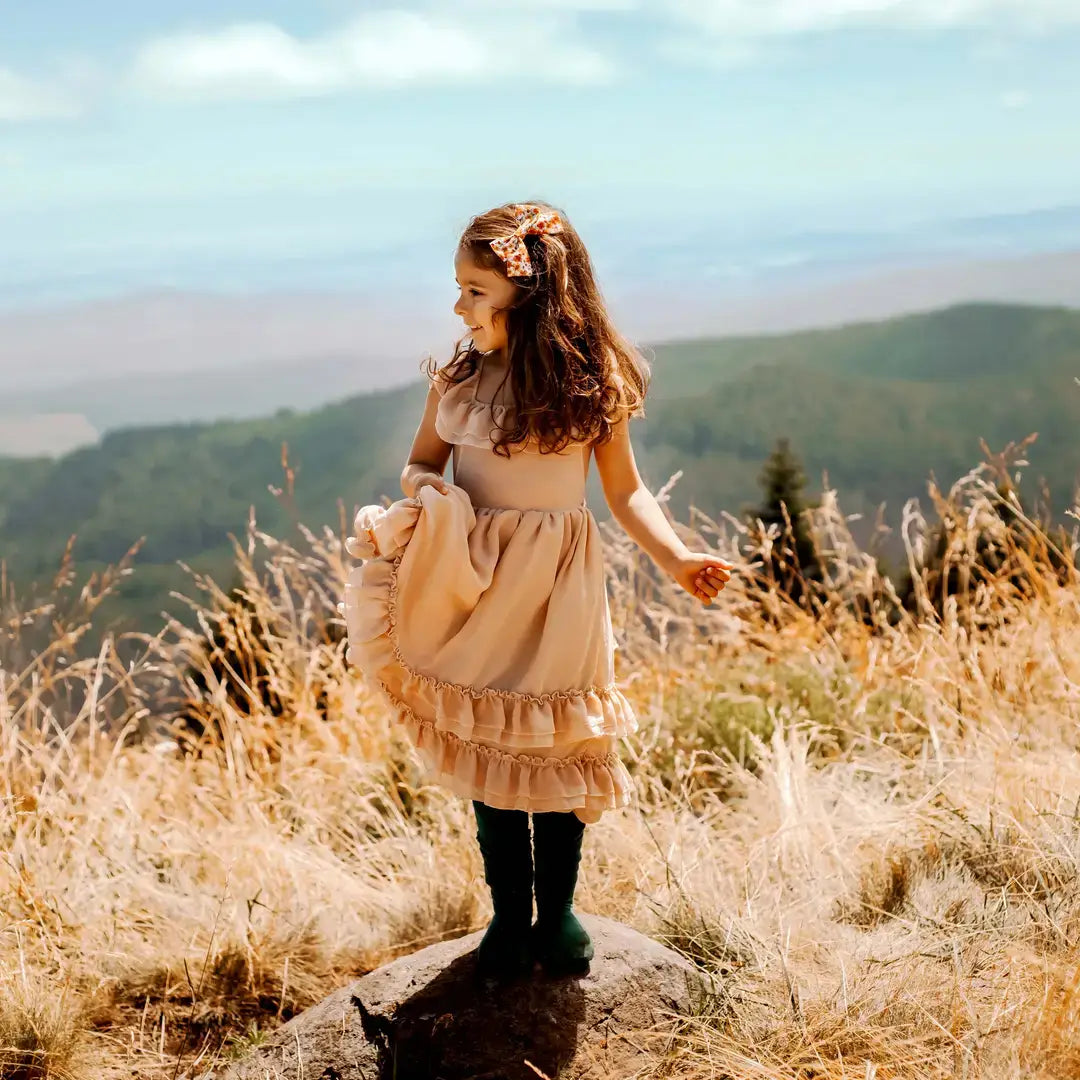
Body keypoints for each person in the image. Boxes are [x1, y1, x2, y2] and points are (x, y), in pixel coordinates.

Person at [343, 201, 731, 982]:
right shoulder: (461, 381)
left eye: (476, 290)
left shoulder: (593, 387)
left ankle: (557, 916)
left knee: (557, 740)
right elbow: (422, 466)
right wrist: (435, 508)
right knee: (491, 740)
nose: (460, 306)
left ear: (532, 290)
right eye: (460, 288)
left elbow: (625, 494)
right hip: (476, 580)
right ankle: (508, 920)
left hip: (559, 587)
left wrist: (678, 558)